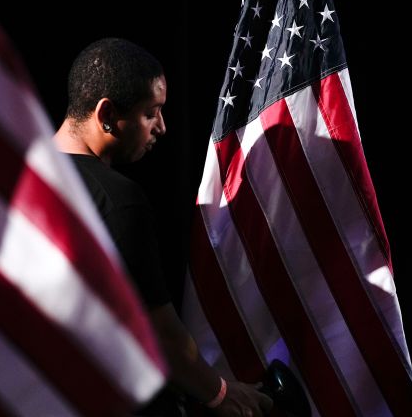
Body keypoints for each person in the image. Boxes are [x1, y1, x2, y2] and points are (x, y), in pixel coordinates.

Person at [53, 37, 273, 417]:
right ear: (106, 115)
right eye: (151, 112)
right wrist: (220, 394)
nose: (162, 127)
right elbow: (161, 333)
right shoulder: (118, 201)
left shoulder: (16, 174)